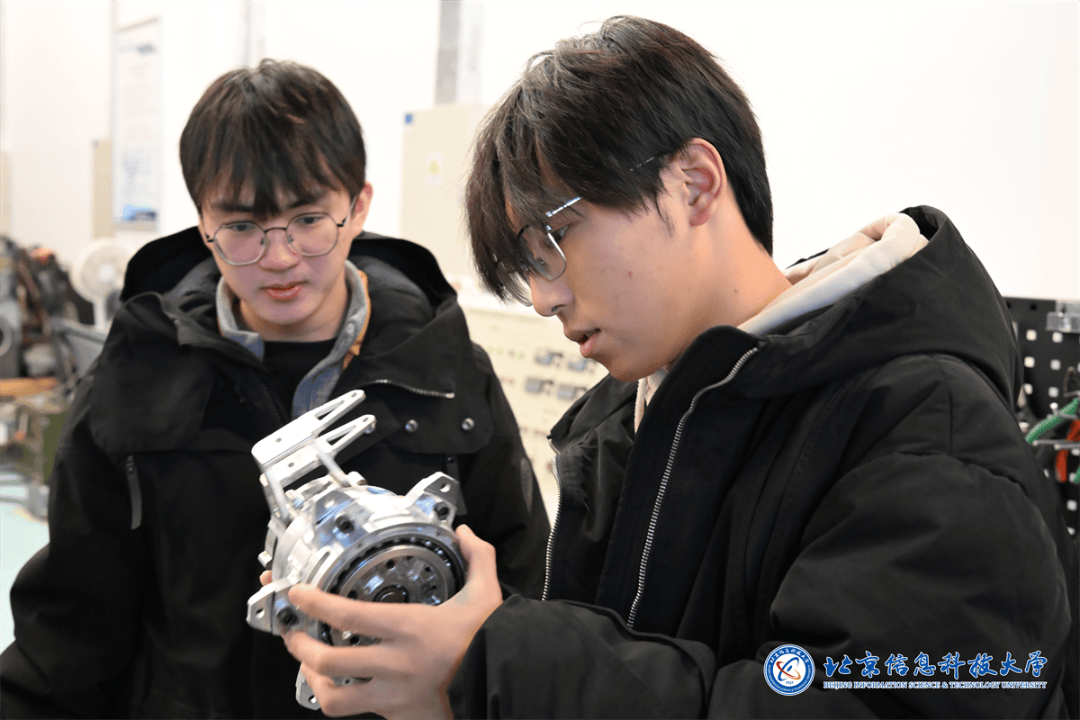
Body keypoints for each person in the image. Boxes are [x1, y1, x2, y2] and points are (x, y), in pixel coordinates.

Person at [276, 16, 1079, 720]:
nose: (545, 298)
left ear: (693, 184)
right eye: (524, 272)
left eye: (551, 242)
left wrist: (499, 666)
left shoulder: (925, 428)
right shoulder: (638, 414)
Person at [0, 59, 549, 719]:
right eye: (241, 228)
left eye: (309, 219)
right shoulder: (134, 380)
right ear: (203, 223)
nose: (280, 258)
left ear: (358, 206)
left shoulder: (448, 374)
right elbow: (71, 629)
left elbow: (523, 588)